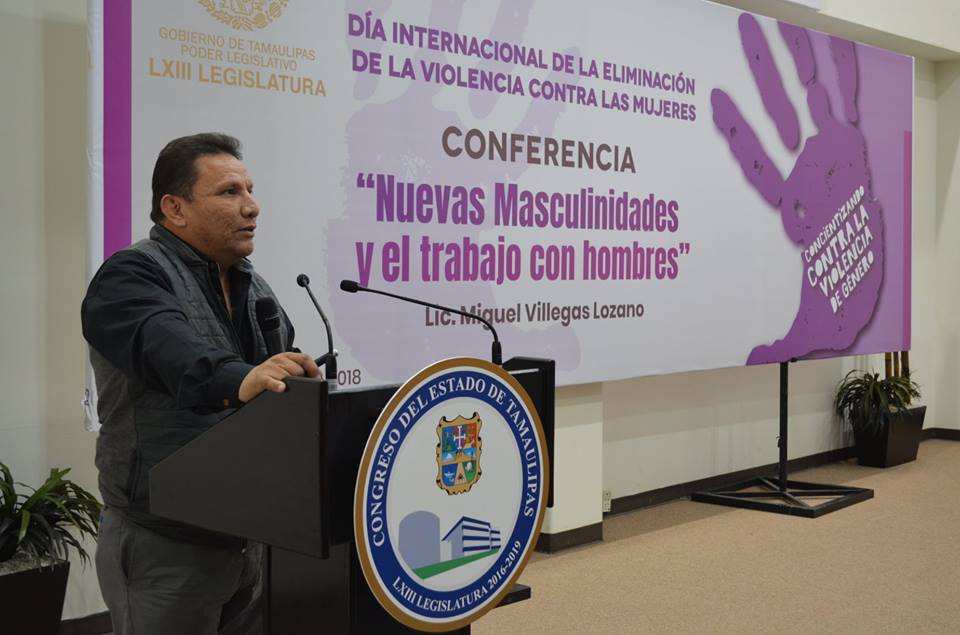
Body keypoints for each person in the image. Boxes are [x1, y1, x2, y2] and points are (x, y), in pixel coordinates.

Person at [81, 133, 319, 634]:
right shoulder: (130, 277)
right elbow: (171, 352)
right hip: (164, 540)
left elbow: (277, 386)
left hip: (248, 533)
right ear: (175, 208)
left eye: (250, 190)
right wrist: (244, 377)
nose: (251, 206)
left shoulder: (253, 284)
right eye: (229, 192)